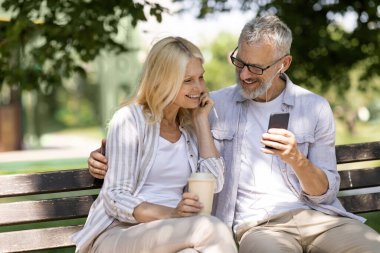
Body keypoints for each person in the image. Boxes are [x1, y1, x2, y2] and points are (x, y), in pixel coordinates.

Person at [87, 16, 380, 253]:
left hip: (319, 219)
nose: (243, 75)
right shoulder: (205, 107)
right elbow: (118, 189)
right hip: (253, 226)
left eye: (256, 67)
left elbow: (324, 191)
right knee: (210, 230)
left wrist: (296, 159)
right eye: (239, 62)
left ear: (283, 64)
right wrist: (103, 157)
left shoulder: (312, 108)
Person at [73, 36, 238, 253]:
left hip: (173, 233)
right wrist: (171, 214)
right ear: (163, 80)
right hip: (120, 233)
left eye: (201, 77)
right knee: (210, 228)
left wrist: (200, 121)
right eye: (188, 80)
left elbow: (213, 183)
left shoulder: (188, 127)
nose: (199, 87)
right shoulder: (129, 120)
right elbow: (115, 197)